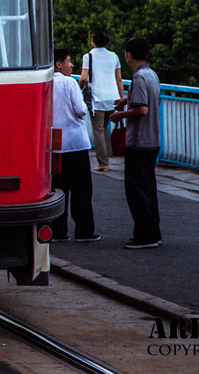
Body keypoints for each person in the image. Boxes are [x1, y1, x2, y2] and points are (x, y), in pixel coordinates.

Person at [109, 37, 161, 249]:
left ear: (129, 55)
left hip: (139, 141)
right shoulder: (151, 75)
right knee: (148, 189)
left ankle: (144, 236)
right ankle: (153, 232)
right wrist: (126, 100)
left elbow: (142, 110)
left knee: (136, 191)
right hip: (153, 140)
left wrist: (120, 114)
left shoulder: (138, 78)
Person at [51, 48, 101, 242]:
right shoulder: (69, 83)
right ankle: (84, 231)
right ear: (59, 64)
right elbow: (80, 110)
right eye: (69, 61)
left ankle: (58, 231)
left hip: (55, 144)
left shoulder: (45, 83)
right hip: (74, 143)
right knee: (81, 190)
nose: (71, 65)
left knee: (58, 189)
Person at [79, 27, 124, 172]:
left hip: (97, 98)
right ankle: (108, 156)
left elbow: (84, 78)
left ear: (93, 41)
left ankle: (103, 163)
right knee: (105, 127)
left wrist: (78, 88)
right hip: (112, 97)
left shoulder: (88, 57)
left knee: (98, 129)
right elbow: (119, 79)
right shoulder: (114, 56)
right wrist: (121, 98)